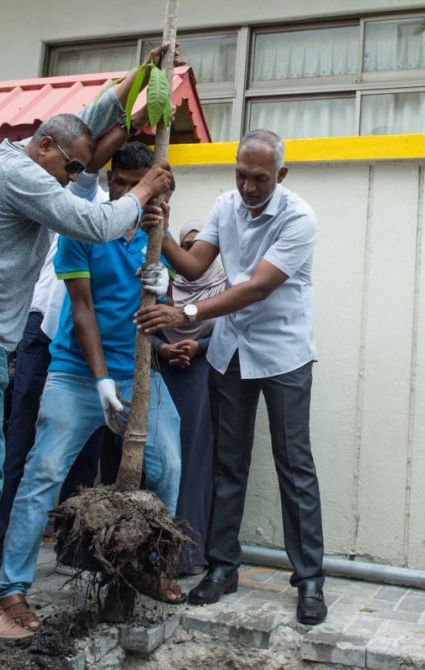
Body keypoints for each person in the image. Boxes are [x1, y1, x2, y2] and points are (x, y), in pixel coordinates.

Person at [0, 44, 177, 642]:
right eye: (71, 168)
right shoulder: (21, 175)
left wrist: (143, 76)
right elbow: (98, 222)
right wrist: (148, 184)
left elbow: (96, 117)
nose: (77, 178)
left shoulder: (28, 156)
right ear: (45, 146)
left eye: (80, 170)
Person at [135, 129, 326, 626]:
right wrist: (168, 232)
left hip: (284, 355)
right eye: (241, 175)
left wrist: (186, 312)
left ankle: (309, 580)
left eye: (259, 178)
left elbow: (258, 287)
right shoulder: (225, 205)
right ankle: (222, 568)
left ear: (280, 176)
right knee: (227, 464)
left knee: (294, 467)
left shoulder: (299, 218)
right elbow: (196, 263)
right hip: (231, 353)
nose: (248, 186)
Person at [0, 141, 183, 630]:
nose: (124, 193)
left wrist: (161, 280)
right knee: (44, 473)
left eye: (135, 186)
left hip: (140, 374)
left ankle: (150, 568)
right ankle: (12, 586)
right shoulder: (82, 227)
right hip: (77, 373)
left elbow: (170, 295)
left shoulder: (154, 235)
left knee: (169, 466)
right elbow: (81, 308)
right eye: (118, 184)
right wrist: (101, 380)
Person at [152, 222, 226, 576]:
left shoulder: (224, 286)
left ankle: (188, 555)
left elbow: (234, 332)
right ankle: (155, 555)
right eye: (185, 247)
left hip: (204, 378)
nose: (191, 254)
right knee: (162, 462)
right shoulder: (162, 282)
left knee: (196, 465)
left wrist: (198, 346)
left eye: (200, 249)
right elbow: (140, 324)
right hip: (162, 374)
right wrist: (163, 349)